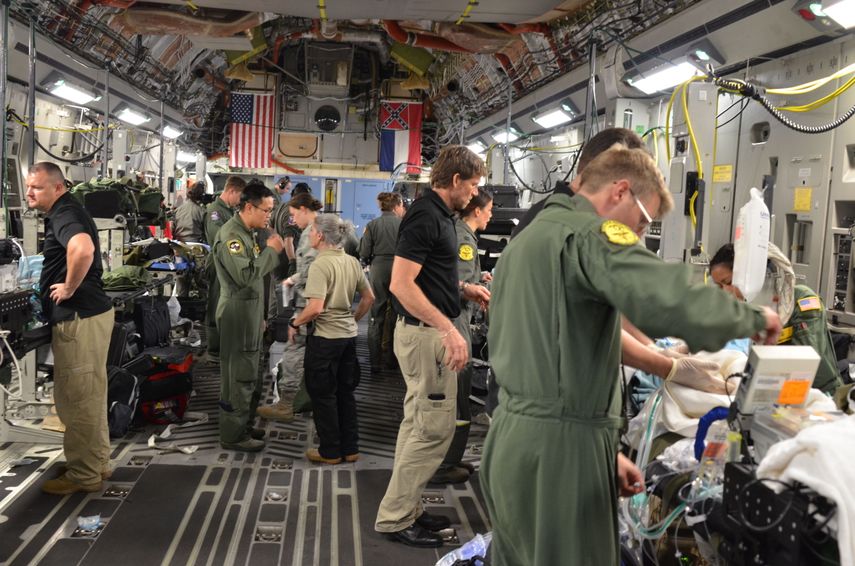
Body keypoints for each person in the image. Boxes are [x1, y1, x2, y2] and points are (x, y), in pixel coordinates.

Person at [481, 147, 782, 566]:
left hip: (514, 444)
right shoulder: (589, 234)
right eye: (642, 221)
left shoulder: (530, 238)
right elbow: (659, 295)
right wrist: (749, 316)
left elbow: (555, 348)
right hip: (559, 454)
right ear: (620, 191)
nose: (638, 236)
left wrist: (604, 453)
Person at [374, 145, 491, 548]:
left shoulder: (440, 216)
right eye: (473, 185)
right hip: (427, 336)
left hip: (427, 331)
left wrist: (463, 287)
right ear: (455, 180)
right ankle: (395, 517)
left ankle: (406, 508)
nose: (475, 194)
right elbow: (401, 285)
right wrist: (448, 329)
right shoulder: (426, 217)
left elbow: (426, 276)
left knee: (418, 427)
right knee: (432, 432)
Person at [27, 162, 115, 495]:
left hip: (79, 318)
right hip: (91, 316)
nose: (30, 192)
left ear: (58, 187)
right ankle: (97, 462)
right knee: (90, 395)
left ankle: (84, 474)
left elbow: (83, 249)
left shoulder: (64, 214)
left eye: (37, 187)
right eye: (29, 186)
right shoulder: (67, 209)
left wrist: (68, 287)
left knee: (76, 399)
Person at [290, 214, 375, 464]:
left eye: (313, 231)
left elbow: (315, 308)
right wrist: (352, 318)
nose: (310, 235)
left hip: (325, 340)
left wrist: (294, 322)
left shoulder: (320, 265)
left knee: (323, 395)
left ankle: (330, 451)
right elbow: (369, 298)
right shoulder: (351, 262)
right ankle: (350, 448)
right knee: (345, 394)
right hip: (348, 338)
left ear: (320, 236)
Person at [710, 242, 842, 395]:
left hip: (822, 394)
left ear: (751, 276)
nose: (724, 292)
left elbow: (806, 366)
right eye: (719, 286)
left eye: (728, 283)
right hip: (776, 392)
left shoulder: (802, 301)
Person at [212, 181, 284, 451]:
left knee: (251, 376)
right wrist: (272, 251)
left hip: (250, 313)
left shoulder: (248, 233)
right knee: (238, 377)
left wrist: (261, 315)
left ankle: (243, 424)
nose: (269, 216)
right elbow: (244, 276)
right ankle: (232, 435)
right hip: (237, 314)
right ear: (249, 207)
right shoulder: (231, 236)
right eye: (266, 211)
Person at [431, 187, 493, 484]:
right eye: (490, 210)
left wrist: (477, 279)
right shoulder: (465, 239)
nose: (491, 215)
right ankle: (446, 463)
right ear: (477, 211)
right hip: (456, 322)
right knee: (458, 393)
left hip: (454, 319)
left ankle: (450, 458)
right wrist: (469, 288)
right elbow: (454, 282)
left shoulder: (458, 232)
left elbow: (457, 275)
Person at [257, 192, 324, 422]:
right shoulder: (323, 228)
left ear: (304, 209)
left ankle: (286, 405)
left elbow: (312, 269)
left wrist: (292, 280)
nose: (293, 220)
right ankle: (313, 401)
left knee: (294, 348)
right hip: (318, 301)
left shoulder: (311, 233)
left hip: (308, 302)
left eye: (295, 215)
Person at [359, 192, 405, 373]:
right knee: (395, 314)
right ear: (397, 205)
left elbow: (363, 251)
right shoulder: (404, 225)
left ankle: (374, 363)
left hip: (378, 269)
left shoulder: (372, 225)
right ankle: (392, 361)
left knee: (376, 315)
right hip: (400, 268)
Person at [201, 176, 246, 364]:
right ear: (232, 191)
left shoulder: (229, 211)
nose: (240, 201)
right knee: (216, 304)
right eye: (240, 196)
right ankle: (214, 349)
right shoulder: (215, 212)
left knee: (225, 305)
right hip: (218, 263)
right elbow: (218, 238)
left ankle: (224, 345)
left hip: (229, 264)